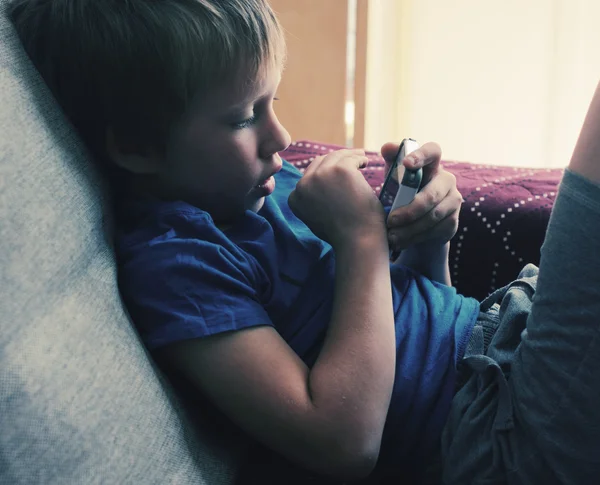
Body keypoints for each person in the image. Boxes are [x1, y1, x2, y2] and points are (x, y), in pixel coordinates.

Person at [10, 1, 600, 483]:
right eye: (244, 116)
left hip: (497, 351)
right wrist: (362, 241)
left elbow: (413, 339)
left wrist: (426, 241)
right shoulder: (176, 264)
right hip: (496, 437)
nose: (283, 136)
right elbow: (343, 442)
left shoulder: (266, 186)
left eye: (272, 101)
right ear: (136, 147)